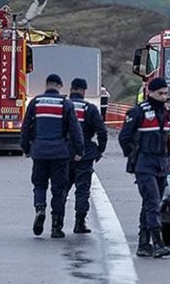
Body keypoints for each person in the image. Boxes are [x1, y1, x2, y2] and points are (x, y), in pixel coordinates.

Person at [20, 73, 84, 239]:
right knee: (58, 190)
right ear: (59, 86)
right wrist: (79, 151)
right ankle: (56, 227)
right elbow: (75, 130)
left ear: (46, 84)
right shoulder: (65, 103)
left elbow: (26, 127)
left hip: (39, 152)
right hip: (59, 154)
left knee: (39, 185)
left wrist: (26, 148)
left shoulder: (35, 102)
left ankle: (40, 208)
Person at [119, 77, 170, 258]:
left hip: (162, 165)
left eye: (165, 93)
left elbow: (166, 141)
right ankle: (158, 242)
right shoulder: (138, 112)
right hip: (144, 164)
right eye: (160, 94)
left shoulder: (167, 114)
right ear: (149, 93)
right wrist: (134, 156)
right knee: (152, 201)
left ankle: (143, 243)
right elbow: (124, 138)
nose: (163, 97)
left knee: (151, 203)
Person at [64, 78, 108, 234]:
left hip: (64, 153)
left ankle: (57, 224)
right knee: (82, 190)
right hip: (85, 154)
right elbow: (102, 131)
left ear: (71, 88)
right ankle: (79, 223)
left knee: (61, 189)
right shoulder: (89, 108)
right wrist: (100, 150)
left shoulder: (63, 106)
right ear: (83, 90)